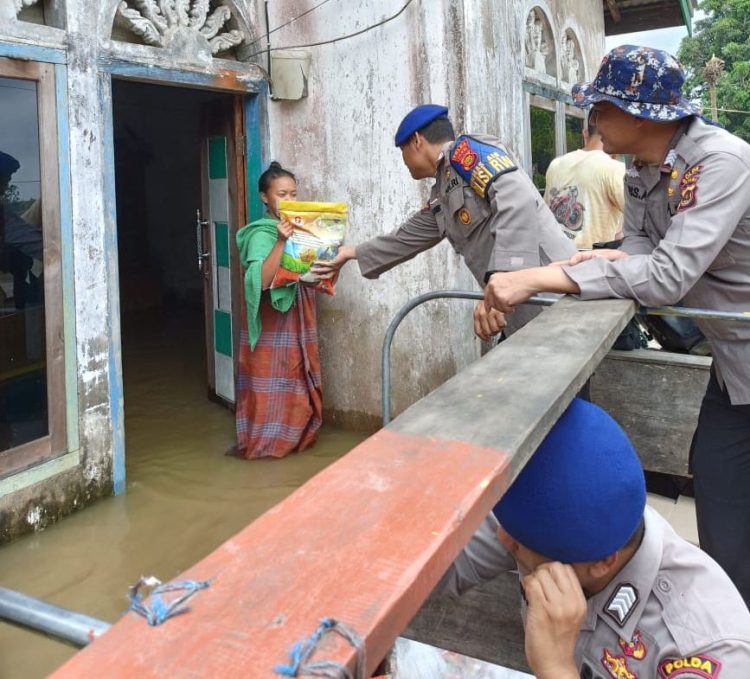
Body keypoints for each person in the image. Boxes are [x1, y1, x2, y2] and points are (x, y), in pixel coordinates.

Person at [482, 45, 750, 606]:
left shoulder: (720, 163)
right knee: (719, 496)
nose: (593, 119)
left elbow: (668, 275)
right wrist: (610, 259)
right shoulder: (641, 169)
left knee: (729, 509)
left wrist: (542, 277)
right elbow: (640, 249)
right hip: (733, 368)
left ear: (642, 113)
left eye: (601, 107)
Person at [440, 398, 750, 678]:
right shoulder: (551, 517)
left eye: (521, 543)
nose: (504, 539)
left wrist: (556, 669)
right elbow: (439, 568)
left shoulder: (706, 649)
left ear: (602, 563)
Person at [311, 104, 576, 342]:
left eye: (402, 151)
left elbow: (517, 199)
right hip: (524, 313)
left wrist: (504, 279)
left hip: (554, 301)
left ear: (416, 141)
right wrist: (351, 253)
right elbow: (407, 237)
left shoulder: (467, 152)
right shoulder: (442, 191)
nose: (403, 162)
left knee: (565, 391)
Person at [234, 162, 322, 459]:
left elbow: (310, 268)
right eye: (282, 194)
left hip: (298, 313)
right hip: (273, 322)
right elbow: (260, 280)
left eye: (294, 193)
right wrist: (282, 240)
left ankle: (296, 442)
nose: (290, 200)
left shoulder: (302, 227)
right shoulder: (260, 234)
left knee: (297, 378)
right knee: (271, 383)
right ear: (265, 198)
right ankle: (265, 448)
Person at [544, 108, 625, 249]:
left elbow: (545, 214)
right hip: (592, 262)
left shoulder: (555, 164)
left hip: (554, 256)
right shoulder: (615, 169)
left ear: (585, 133)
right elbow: (640, 223)